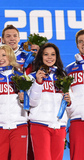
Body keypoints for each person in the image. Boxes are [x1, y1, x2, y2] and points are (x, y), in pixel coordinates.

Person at [28, 43, 71, 160]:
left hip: (59, 126)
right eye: (46, 54)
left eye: (53, 54)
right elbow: (32, 102)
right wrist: (38, 82)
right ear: (41, 56)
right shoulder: (32, 77)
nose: (49, 57)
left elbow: (69, 102)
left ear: (57, 57)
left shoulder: (63, 76)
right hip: (40, 124)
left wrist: (69, 101)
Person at [65, 29, 84, 160]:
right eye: (80, 41)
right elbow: (66, 96)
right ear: (77, 45)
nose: (83, 44)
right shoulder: (69, 69)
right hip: (78, 120)